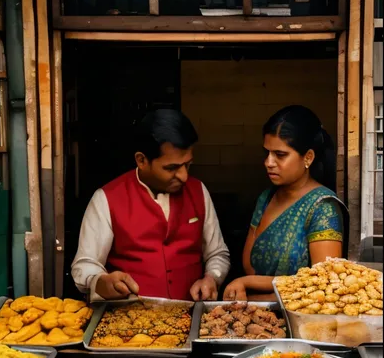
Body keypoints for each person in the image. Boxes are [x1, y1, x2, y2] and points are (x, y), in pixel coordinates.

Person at [72, 109, 230, 302]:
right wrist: (100, 281)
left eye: (187, 165)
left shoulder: (198, 191)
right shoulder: (106, 198)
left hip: (190, 316)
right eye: (171, 168)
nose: (183, 176)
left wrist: (212, 277)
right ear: (141, 160)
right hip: (129, 322)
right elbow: (85, 264)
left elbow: (218, 253)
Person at [224, 105, 345, 301]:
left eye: (280, 155)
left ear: (308, 157)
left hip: (299, 322)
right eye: (267, 153)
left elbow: (323, 286)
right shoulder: (266, 198)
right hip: (255, 315)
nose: (268, 162)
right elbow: (250, 266)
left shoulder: (323, 208)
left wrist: (248, 286)